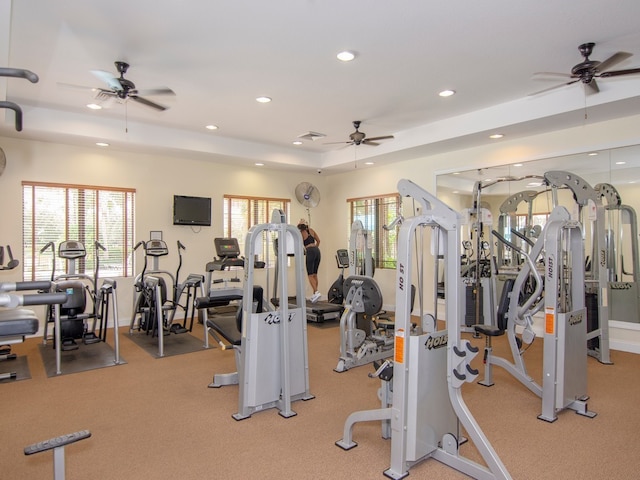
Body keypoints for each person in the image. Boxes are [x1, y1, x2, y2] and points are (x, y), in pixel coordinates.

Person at [297, 218, 321, 302]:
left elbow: (299, 244)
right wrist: (315, 249)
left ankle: (316, 292)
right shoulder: (311, 230)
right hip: (317, 251)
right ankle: (315, 294)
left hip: (310, 251)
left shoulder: (301, 233)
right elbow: (318, 241)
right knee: (315, 274)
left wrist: (309, 250)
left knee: (310, 275)